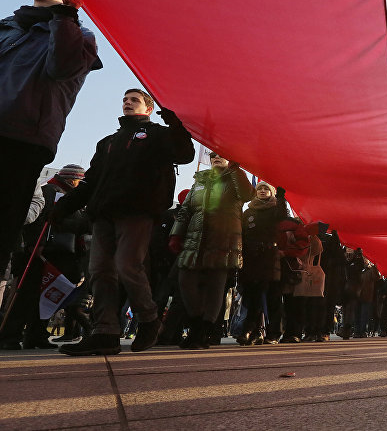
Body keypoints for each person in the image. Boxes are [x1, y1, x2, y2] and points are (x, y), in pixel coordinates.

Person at [56, 89, 194, 356]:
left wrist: (175, 125)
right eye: (124, 99)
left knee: (127, 265)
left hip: (137, 211)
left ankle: (149, 319)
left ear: (149, 108)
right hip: (103, 214)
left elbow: (184, 154)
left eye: (134, 100)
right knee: (99, 271)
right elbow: (92, 180)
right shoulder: (108, 141)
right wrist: (64, 206)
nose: (127, 103)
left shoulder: (156, 134)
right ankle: (105, 331)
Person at [0, 0, 101, 275]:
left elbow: (62, 68)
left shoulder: (79, 36)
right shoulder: (6, 26)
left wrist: (65, 15)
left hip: (20, 143)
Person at [168, 151, 252, 349]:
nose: (216, 157)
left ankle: (203, 331)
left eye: (221, 154)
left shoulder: (235, 179)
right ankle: (197, 324)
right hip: (195, 238)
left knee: (215, 287)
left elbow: (248, 194)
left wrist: (235, 169)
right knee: (186, 281)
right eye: (213, 154)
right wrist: (176, 234)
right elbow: (186, 209)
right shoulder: (200, 181)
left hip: (223, 239)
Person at [0, 164, 89, 350]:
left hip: (57, 254)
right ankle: (10, 334)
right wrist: (35, 243)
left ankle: (36, 335)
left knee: (47, 298)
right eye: (79, 181)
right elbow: (40, 219)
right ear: (71, 179)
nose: (80, 184)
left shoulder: (71, 198)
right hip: (39, 252)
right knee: (26, 295)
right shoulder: (50, 191)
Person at [238, 182, 289, 345]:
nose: (262, 191)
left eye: (266, 188)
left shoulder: (276, 209)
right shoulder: (248, 212)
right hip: (251, 257)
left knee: (273, 295)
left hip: (269, 256)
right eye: (259, 188)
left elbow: (282, 217)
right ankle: (251, 330)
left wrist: (281, 198)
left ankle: (274, 332)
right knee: (252, 295)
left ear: (272, 192)